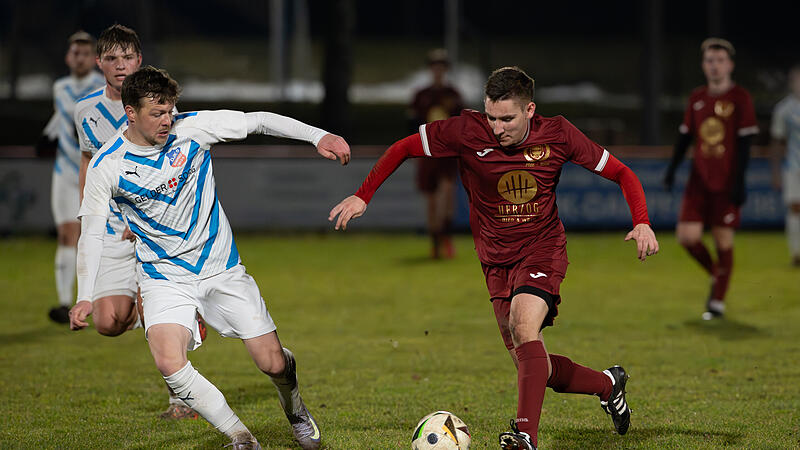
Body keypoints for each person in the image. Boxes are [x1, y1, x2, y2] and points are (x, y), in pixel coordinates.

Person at [329, 66, 658, 450]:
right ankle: (607, 384)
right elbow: (404, 147)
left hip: (542, 248)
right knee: (532, 364)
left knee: (524, 328)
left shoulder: (559, 134)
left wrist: (642, 222)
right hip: (494, 260)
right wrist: (362, 195)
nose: (497, 127)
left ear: (530, 110)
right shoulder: (466, 131)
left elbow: (622, 172)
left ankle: (524, 437)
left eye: (507, 118)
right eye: (491, 116)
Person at [73, 66, 350, 449]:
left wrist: (318, 135)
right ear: (130, 113)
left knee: (272, 363)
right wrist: (85, 295)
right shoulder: (108, 165)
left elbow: (259, 121)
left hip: (221, 269)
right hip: (163, 276)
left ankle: (296, 410)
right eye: (157, 113)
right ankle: (241, 437)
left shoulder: (192, 128)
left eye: (170, 110)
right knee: (169, 363)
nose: (167, 120)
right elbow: (90, 232)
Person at [72, 24, 204, 420]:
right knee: (108, 322)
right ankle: (152, 311)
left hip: (151, 229)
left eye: (127, 57)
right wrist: (86, 216)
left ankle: (181, 399)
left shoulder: (160, 104)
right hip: (112, 231)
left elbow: (174, 167)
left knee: (155, 306)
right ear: (99, 63)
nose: (120, 65)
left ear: (139, 60)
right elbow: (87, 163)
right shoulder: (86, 111)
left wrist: (153, 215)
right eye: (111, 58)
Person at [664, 38, 759, 320]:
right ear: (704, 65)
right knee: (687, 237)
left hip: (726, 181)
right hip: (699, 180)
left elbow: (745, 144)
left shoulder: (740, 98)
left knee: (722, 240)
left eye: (719, 60)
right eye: (709, 61)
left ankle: (716, 302)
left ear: (729, 65)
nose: (714, 65)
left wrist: (740, 182)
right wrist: (672, 169)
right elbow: (685, 138)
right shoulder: (697, 98)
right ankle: (717, 274)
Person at [46, 31, 105, 324]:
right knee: (67, 234)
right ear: (68, 57)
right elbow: (61, 116)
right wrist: (47, 135)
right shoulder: (60, 87)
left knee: (97, 235)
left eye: (85, 53)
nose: (79, 58)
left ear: (93, 58)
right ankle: (63, 303)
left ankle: (103, 298)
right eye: (75, 52)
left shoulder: (102, 86)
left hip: (95, 171)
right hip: (65, 171)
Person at [409, 49, 464, 258]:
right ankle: (435, 242)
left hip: (447, 154)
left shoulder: (453, 95)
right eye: (435, 67)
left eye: (441, 67)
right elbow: (412, 125)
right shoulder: (421, 96)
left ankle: (446, 237)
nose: (438, 71)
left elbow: (462, 127)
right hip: (426, 152)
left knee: (446, 196)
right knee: (431, 199)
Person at [769, 64, 800, 266]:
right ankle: (797, 254)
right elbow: (777, 141)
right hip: (794, 166)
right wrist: (776, 172)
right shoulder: (784, 109)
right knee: (795, 209)